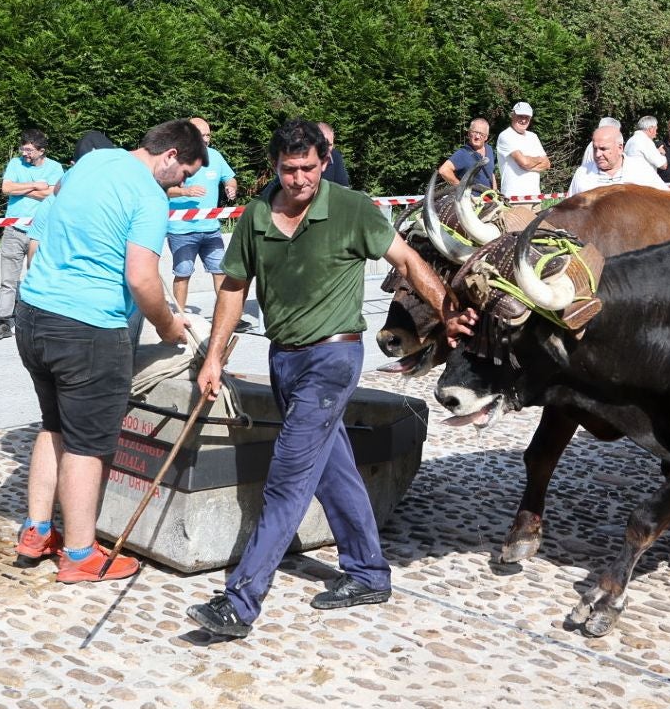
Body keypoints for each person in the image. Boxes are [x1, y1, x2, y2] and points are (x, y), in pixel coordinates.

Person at [186, 120, 473, 638]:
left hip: (332, 359)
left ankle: (240, 602)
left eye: (309, 168)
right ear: (274, 166)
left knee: (288, 479)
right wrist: (214, 356)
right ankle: (367, 573)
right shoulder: (255, 216)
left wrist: (448, 312)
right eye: (289, 169)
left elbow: (407, 259)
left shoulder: (350, 208)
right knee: (330, 469)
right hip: (284, 360)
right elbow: (233, 285)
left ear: (324, 161)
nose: (299, 179)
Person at [11, 120, 205, 582]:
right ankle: (80, 555)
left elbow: (53, 217)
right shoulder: (149, 196)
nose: (183, 185)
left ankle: (36, 531)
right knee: (89, 443)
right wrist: (167, 324)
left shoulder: (94, 161)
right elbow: (141, 278)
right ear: (171, 156)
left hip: (34, 312)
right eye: (185, 174)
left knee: (54, 424)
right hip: (89, 327)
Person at [0, 130, 64, 341]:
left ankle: (40, 320)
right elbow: (6, 188)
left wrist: (20, 189)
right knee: (8, 280)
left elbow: (53, 193)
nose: (25, 153)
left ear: (42, 151)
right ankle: (3, 322)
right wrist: (34, 186)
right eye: (23, 148)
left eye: (29, 150)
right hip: (13, 230)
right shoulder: (15, 163)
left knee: (40, 276)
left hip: (41, 233)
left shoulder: (55, 167)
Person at [166, 117, 238, 316]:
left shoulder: (215, 156)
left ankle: (227, 316)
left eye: (208, 135)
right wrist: (184, 192)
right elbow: (163, 189)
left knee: (220, 271)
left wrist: (230, 187)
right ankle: (179, 317)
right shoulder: (174, 159)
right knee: (183, 274)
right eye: (201, 135)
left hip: (211, 228)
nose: (206, 139)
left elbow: (230, 177)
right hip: (181, 229)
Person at [567, 125, 668, 196]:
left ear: (620, 148)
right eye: (595, 148)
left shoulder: (641, 169)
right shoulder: (582, 174)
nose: (597, 154)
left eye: (603, 149)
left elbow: (666, 199)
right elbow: (569, 210)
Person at [495, 101, 549, 200]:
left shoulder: (533, 136)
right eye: (520, 116)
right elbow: (524, 162)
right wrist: (538, 159)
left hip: (535, 197)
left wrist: (527, 164)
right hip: (515, 198)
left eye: (527, 117)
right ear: (512, 115)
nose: (524, 120)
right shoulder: (506, 136)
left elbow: (547, 164)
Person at [438, 119, 496, 189]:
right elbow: (443, 170)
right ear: (469, 133)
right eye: (474, 132)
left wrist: (495, 192)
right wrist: (461, 188)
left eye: (481, 134)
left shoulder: (489, 149)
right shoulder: (462, 153)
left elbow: (491, 173)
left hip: (489, 197)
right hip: (471, 199)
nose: (477, 137)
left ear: (486, 137)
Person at [318, 122, 350, 187]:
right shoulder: (304, 158)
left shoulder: (335, 156)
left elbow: (343, 188)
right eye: (323, 144)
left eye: (329, 145)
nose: (326, 149)